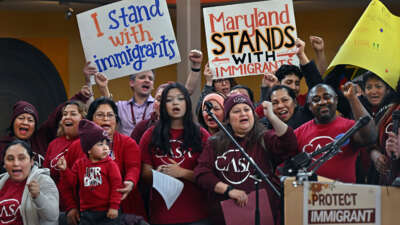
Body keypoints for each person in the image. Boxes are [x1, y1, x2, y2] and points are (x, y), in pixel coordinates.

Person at [194, 94, 298, 225]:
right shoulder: (215, 143)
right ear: (228, 119)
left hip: (264, 214)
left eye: (247, 109)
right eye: (236, 111)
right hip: (227, 216)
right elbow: (201, 174)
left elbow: (290, 145)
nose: (243, 113)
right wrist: (228, 190)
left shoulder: (264, 137)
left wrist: (272, 117)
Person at [62, 97, 145, 225]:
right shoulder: (76, 147)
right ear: (91, 121)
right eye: (100, 115)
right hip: (87, 216)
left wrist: (130, 181)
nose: (106, 119)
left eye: (110, 115)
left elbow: (133, 167)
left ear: (116, 121)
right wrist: (71, 207)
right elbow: (67, 182)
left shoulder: (128, 143)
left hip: (122, 210)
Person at [86, 50, 204, 137]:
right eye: (142, 77)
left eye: (150, 78)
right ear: (131, 82)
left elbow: (186, 92)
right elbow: (99, 111)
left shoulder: (161, 103)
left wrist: (196, 66)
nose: (147, 80)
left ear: (153, 85)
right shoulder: (121, 106)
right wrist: (95, 84)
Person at [140, 82, 211, 225]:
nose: (175, 103)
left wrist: (182, 172)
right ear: (163, 105)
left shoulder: (201, 134)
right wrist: (158, 174)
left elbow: (209, 176)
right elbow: (143, 172)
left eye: (180, 98)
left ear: (187, 103)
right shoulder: (150, 135)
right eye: (169, 100)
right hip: (163, 215)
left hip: (198, 215)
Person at [294, 83, 377, 183]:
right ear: (310, 106)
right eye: (316, 100)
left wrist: (352, 98)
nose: (322, 102)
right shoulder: (298, 133)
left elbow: (370, 137)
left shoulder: (350, 127)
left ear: (336, 100)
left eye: (327, 97)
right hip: (311, 196)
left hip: (345, 196)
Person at [57, 119, 122, 225]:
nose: (106, 147)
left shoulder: (110, 164)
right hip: (87, 212)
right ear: (89, 149)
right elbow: (73, 182)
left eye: (107, 143)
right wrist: (65, 170)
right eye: (100, 144)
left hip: (107, 211)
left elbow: (117, 186)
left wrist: (114, 206)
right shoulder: (80, 164)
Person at [43, 100, 87, 224]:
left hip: (78, 211)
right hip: (54, 208)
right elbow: (45, 175)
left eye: (73, 114)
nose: (67, 117)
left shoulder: (86, 143)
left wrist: (72, 207)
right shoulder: (54, 144)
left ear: (83, 119)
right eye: (65, 114)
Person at [257, 38, 323, 114]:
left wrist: (302, 55)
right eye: (289, 82)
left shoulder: (305, 101)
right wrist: (265, 88)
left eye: (297, 83)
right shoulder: (268, 105)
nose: (294, 87)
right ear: (278, 83)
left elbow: (317, 85)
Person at [0, 139, 59, 225]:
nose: (16, 163)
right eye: (10, 159)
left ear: (31, 161)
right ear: (4, 164)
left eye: (22, 158)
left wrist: (38, 196)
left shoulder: (43, 180)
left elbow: (52, 217)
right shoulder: (2, 183)